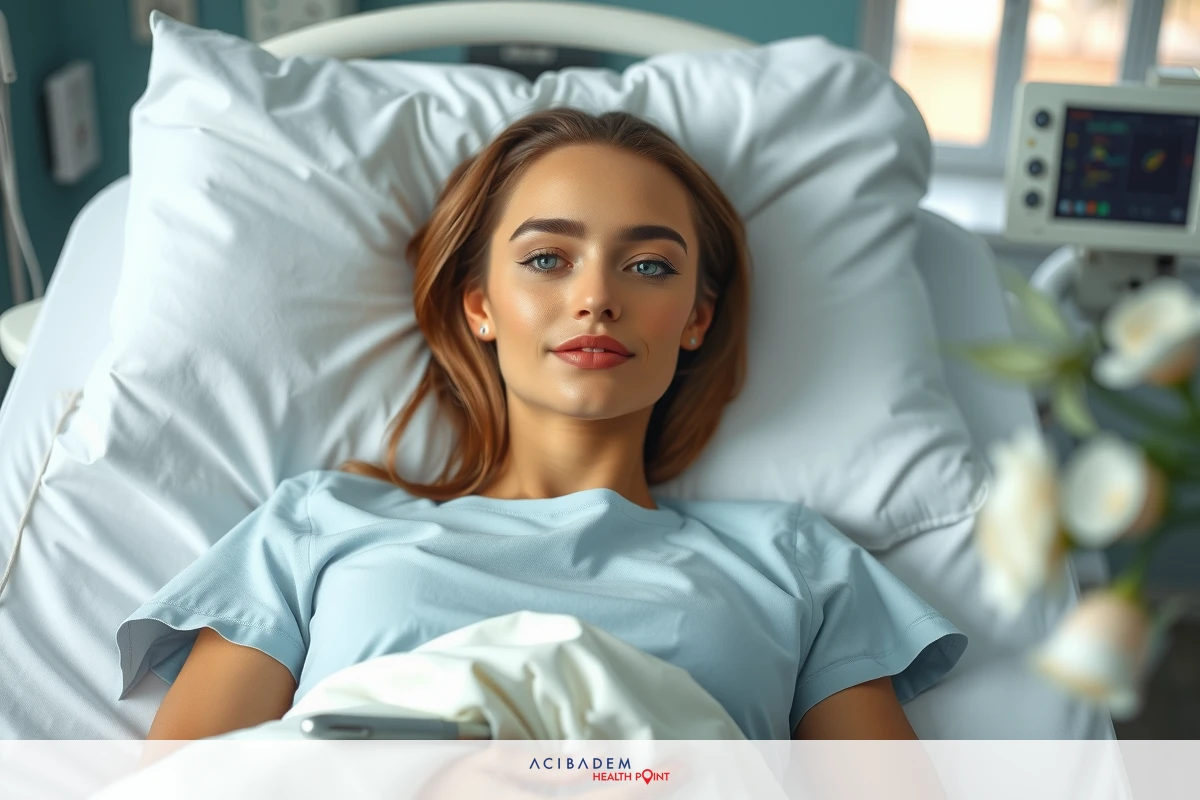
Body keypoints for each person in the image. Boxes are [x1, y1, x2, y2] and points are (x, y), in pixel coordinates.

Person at [117, 107, 966, 742]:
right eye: (547, 259)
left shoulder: (793, 562)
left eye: (647, 265)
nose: (596, 296)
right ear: (481, 305)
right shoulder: (319, 526)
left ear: (697, 318)